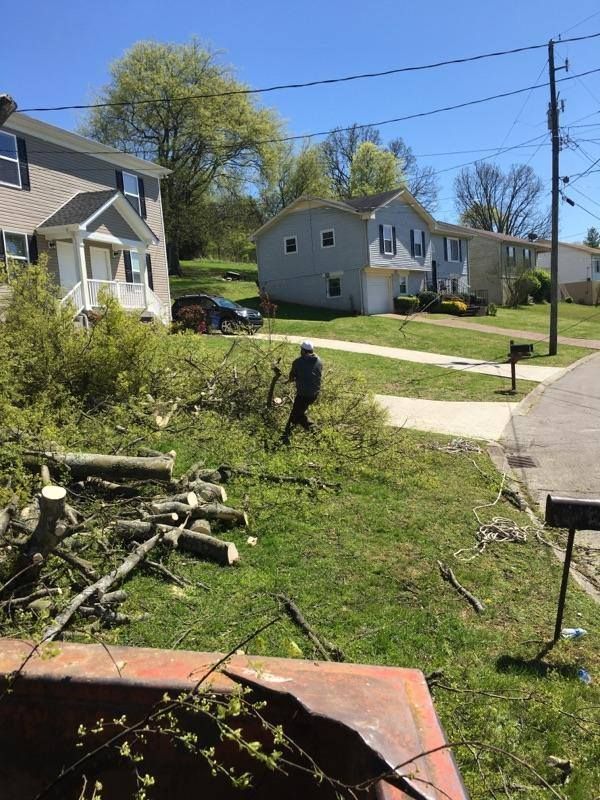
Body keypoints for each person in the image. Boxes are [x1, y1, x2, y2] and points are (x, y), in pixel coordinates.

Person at [282, 341, 322, 443]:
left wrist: (287, 381)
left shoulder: (297, 362)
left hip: (303, 394)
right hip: (314, 394)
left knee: (298, 415)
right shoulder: (319, 361)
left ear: (303, 351)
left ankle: (316, 432)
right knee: (296, 412)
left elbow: (292, 378)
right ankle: (287, 433)